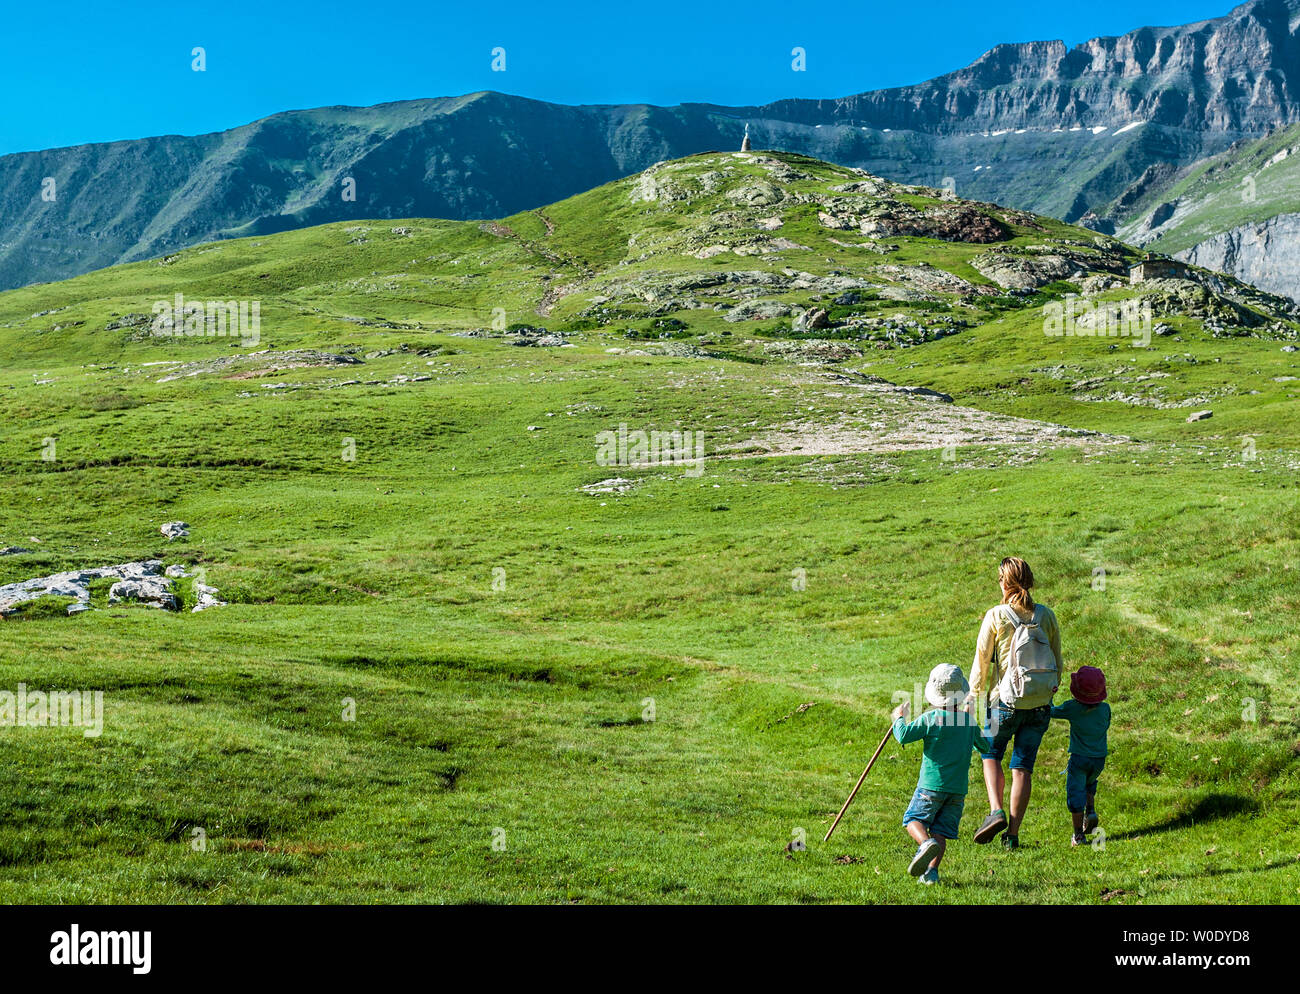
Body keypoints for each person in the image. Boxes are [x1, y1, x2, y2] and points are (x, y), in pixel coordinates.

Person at [967, 557, 1062, 849]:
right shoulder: (1046, 615)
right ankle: (1013, 835)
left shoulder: (996, 615)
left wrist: (973, 697)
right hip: (1039, 704)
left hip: (1004, 703)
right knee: (1023, 767)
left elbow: (982, 663)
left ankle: (996, 811)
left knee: (989, 752)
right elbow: (1057, 661)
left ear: (1004, 582)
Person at [891, 663, 995, 885]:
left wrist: (899, 717)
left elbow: (903, 736)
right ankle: (931, 874)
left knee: (913, 819)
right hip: (957, 790)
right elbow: (985, 748)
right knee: (941, 831)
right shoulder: (967, 721)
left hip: (930, 786)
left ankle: (924, 844)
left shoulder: (930, 719)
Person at [1050, 666, 1110, 845]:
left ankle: (1078, 835)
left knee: (1075, 794)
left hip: (1079, 758)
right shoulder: (1105, 709)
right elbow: (1106, 724)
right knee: (1090, 782)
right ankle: (1090, 810)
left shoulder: (1072, 708)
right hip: (1099, 759)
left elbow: (1051, 711)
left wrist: (1049, 696)